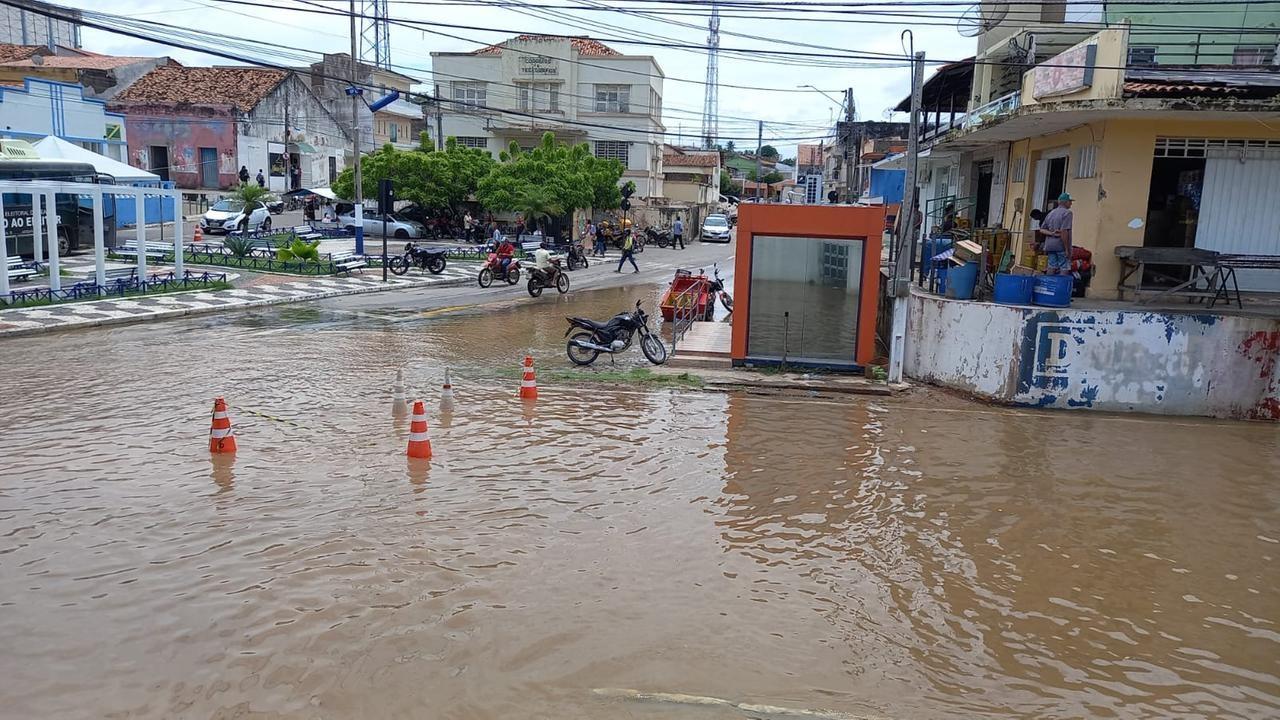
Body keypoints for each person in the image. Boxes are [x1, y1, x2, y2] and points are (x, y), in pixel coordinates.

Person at [1037, 193, 1074, 275]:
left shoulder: (1051, 213)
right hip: (1060, 245)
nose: (1071, 203)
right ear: (1066, 202)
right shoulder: (1067, 213)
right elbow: (1064, 232)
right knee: (1064, 266)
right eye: (1070, 201)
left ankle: (1049, 286)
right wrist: (1067, 249)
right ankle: (1061, 287)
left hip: (1050, 246)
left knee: (1051, 265)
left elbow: (1042, 229)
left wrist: (1051, 233)